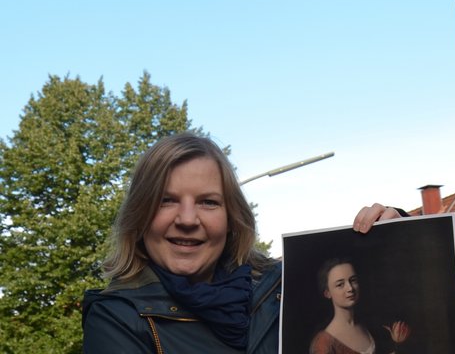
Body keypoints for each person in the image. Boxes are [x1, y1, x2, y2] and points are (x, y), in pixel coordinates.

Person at [82, 132, 402, 353]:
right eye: (167, 200)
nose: (188, 219)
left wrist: (398, 232)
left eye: (208, 202)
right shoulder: (118, 318)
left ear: (232, 218)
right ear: (141, 215)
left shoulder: (280, 291)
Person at [309, 259, 374, 354]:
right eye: (340, 284)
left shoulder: (367, 324)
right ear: (327, 293)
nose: (350, 288)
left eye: (353, 280)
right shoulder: (323, 343)